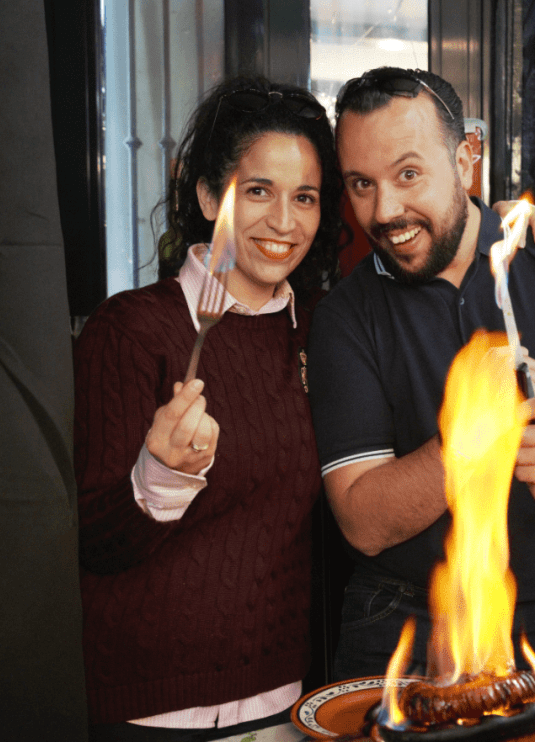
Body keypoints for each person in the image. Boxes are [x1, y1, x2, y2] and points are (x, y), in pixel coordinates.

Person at [306, 67, 535, 710]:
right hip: (403, 628)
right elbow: (360, 521)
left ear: (467, 157)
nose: (384, 211)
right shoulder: (343, 319)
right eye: (361, 184)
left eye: (408, 174)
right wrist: (471, 439)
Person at [74, 76, 342, 740]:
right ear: (206, 196)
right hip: (149, 709)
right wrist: (158, 476)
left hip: (286, 703)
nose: (284, 222)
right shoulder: (132, 330)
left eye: (304, 197)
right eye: (258, 192)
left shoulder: (319, 334)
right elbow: (89, 540)